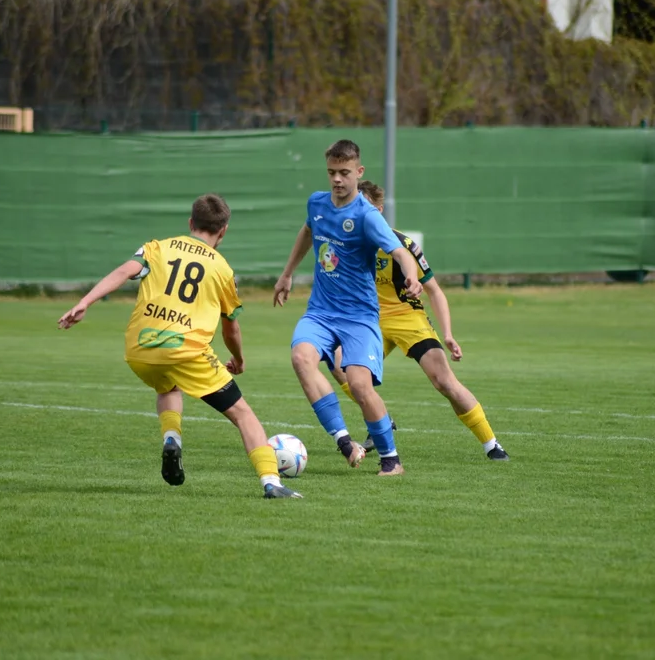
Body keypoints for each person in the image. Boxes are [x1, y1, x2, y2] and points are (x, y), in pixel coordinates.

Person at [58, 193, 301, 499]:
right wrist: (238, 359)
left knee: (168, 388)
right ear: (223, 231)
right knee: (243, 414)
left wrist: (84, 302)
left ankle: (172, 438)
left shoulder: (157, 247)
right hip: (186, 352)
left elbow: (123, 271)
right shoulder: (222, 269)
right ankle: (272, 483)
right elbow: (231, 326)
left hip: (140, 349)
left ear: (190, 223)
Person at [329, 181, 510, 461]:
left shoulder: (401, 244)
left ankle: (491, 444)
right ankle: (382, 421)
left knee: (443, 381)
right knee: (339, 364)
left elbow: (435, 290)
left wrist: (448, 334)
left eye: (361, 206)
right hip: (367, 320)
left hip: (407, 317)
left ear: (377, 210)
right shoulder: (341, 241)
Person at [273, 139, 423, 477]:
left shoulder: (367, 216)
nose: (337, 180)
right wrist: (286, 274)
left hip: (359, 318)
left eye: (344, 173)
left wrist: (411, 276)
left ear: (359, 172)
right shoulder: (317, 203)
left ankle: (391, 460)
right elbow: (308, 231)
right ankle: (345, 442)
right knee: (301, 358)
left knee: (359, 385)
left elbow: (400, 252)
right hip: (321, 312)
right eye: (331, 173)